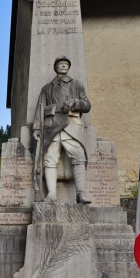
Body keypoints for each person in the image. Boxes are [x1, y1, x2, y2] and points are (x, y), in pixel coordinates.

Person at [32, 56, 92, 204]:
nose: (63, 66)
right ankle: (51, 194)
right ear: (56, 67)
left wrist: (75, 102)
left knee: (78, 156)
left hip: (71, 124)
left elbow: (87, 105)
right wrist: (36, 128)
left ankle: (81, 194)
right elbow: (40, 108)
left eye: (66, 64)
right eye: (60, 64)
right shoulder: (47, 87)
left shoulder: (77, 84)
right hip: (51, 125)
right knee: (49, 159)